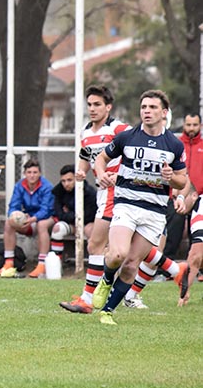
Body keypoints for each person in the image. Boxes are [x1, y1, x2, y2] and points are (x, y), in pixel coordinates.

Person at [92, 90, 187, 325]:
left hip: (154, 211)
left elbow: (182, 180)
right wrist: (102, 174)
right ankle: (105, 280)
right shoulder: (127, 137)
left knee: (132, 264)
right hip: (126, 205)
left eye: (153, 107)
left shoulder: (174, 144)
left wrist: (170, 178)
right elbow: (101, 158)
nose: (147, 111)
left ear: (164, 113)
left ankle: (107, 311)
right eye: (144, 107)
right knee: (117, 254)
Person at [59, 85, 130, 313]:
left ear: (108, 107)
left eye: (97, 104)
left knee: (96, 244)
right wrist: (81, 172)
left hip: (116, 192)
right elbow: (85, 158)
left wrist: (120, 174)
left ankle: (88, 299)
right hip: (103, 193)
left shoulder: (119, 128)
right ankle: (174, 270)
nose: (92, 108)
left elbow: (135, 148)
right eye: (89, 104)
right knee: (123, 249)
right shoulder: (86, 132)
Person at [0, 158, 55, 278]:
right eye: (29, 172)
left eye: (35, 172)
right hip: (28, 219)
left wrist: (34, 218)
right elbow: (13, 206)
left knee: (42, 225)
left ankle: (42, 264)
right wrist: (16, 216)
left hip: (47, 218)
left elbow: (46, 209)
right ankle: (9, 262)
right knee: (9, 223)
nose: (32, 175)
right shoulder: (19, 185)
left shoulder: (47, 186)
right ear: (25, 173)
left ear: (40, 173)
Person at [164, 113, 203, 260]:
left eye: (195, 125)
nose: (191, 128)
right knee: (172, 233)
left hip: (199, 197)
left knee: (198, 235)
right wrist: (175, 193)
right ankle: (166, 269)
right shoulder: (176, 145)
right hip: (175, 196)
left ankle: (199, 267)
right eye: (188, 124)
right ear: (184, 125)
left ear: (200, 126)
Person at [49, 164, 97, 257]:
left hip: (87, 224)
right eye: (63, 181)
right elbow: (59, 214)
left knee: (90, 230)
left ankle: (95, 264)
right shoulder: (59, 191)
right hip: (71, 224)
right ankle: (56, 263)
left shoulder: (89, 192)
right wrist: (74, 215)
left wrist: (69, 213)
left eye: (69, 180)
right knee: (57, 229)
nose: (66, 184)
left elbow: (88, 215)